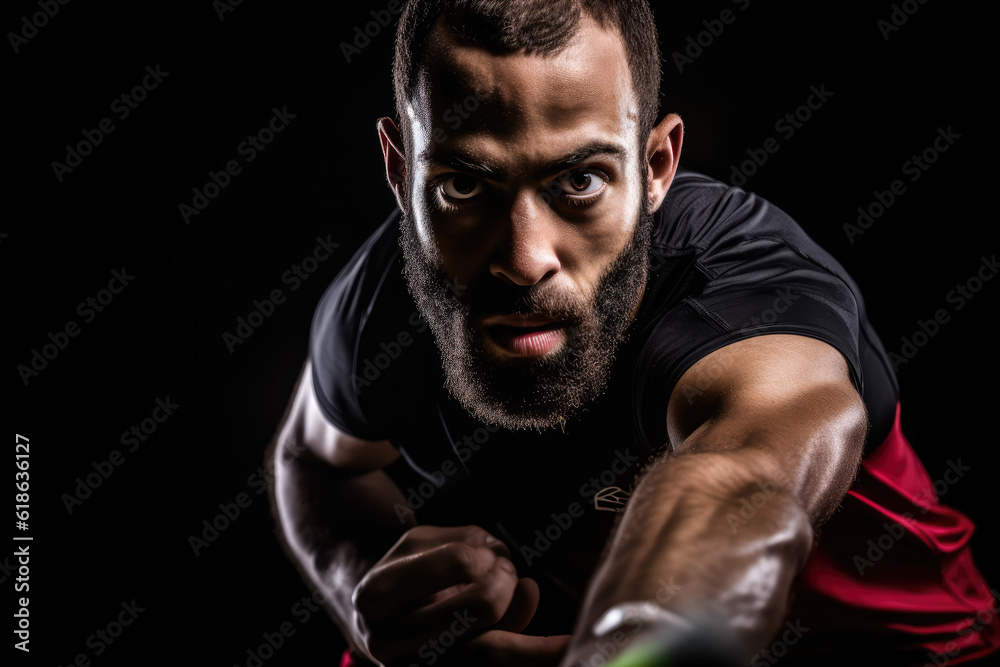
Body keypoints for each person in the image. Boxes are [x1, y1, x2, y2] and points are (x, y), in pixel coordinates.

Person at [268, 1, 999, 665]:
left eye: (580, 180)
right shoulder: (380, 305)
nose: (525, 261)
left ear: (656, 168)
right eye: (464, 186)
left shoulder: (745, 291)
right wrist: (363, 590)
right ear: (401, 171)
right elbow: (311, 455)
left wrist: (633, 640)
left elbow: (742, 476)